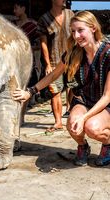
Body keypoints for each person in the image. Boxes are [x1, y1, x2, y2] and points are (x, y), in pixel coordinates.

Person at [13, 10, 110, 167]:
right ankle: (83, 147)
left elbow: (107, 96)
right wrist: (29, 92)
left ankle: (108, 144)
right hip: (84, 100)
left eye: (80, 30)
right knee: (72, 125)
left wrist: (84, 118)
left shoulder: (108, 53)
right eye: (73, 31)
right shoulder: (73, 53)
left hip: (105, 103)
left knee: (92, 127)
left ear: (93, 28)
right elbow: (52, 76)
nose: (76, 36)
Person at [37, 0, 74, 131]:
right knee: (55, 91)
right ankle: (58, 122)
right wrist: (47, 64)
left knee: (74, 89)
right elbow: (43, 43)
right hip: (54, 61)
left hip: (71, 59)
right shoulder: (44, 19)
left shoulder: (71, 15)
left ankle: (72, 117)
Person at [13, 0, 41, 124]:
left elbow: (40, 44)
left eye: (16, 8)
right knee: (15, 88)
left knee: (25, 89)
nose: (14, 11)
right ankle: (15, 116)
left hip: (27, 62)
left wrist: (28, 47)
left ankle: (21, 117)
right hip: (13, 61)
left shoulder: (33, 25)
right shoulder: (13, 25)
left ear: (23, 8)